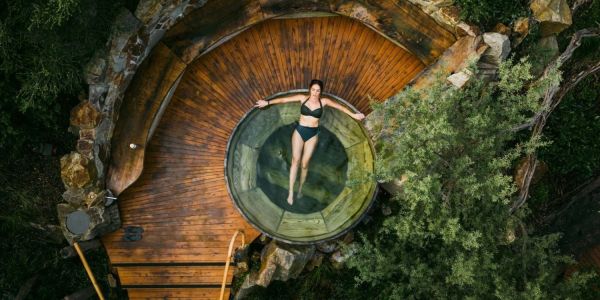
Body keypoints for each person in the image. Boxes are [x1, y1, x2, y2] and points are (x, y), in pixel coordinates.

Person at [255, 79, 365, 205]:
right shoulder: (303, 98)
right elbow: (284, 100)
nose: (315, 92)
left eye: (318, 90)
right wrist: (267, 102)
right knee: (295, 161)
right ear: (310, 89)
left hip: (312, 134)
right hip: (300, 131)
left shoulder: (324, 102)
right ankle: (291, 191)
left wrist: (354, 115)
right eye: (313, 90)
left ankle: (301, 189)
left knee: (305, 164)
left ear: (321, 91)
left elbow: (340, 107)